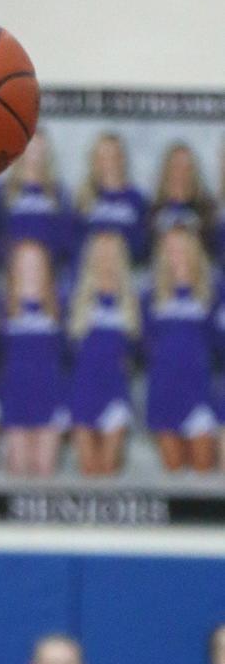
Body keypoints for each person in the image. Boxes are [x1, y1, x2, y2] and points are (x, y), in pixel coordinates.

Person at [144, 226, 219, 474]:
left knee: (203, 476)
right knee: (174, 475)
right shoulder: (151, 296)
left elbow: (217, 343)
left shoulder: (213, 291)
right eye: (169, 249)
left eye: (181, 247)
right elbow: (144, 345)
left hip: (200, 392)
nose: (175, 254)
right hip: (164, 392)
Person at [67, 232, 140, 477]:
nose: (106, 259)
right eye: (100, 253)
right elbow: (64, 351)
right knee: (88, 471)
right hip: (82, 390)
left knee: (109, 470)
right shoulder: (76, 298)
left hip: (115, 390)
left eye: (112, 254)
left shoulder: (132, 299)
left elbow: (139, 350)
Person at [0, 240, 67, 479]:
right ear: (14, 268)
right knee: (17, 472)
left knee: (44, 471)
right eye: (24, 263)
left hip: (49, 397)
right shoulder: (1, 305)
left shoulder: (60, 305)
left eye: (36, 263)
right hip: (16, 397)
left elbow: (68, 356)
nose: (30, 269)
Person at [0, 132, 72, 267]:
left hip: (48, 271)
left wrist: (47, 261)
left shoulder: (58, 192)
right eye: (30, 147)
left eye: (40, 148)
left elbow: (65, 235)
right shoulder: (3, 191)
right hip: (12, 272)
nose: (35, 154)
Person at [73, 132, 148, 267]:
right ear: (94, 161)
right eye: (103, 157)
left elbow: (142, 247)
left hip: (124, 277)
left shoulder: (136, 199)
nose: (109, 163)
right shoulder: (83, 199)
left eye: (114, 156)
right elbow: (76, 246)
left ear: (123, 159)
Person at [150, 141, 214, 246]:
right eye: (176, 166)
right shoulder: (153, 210)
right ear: (166, 170)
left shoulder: (208, 211)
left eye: (187, 168)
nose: (181, 173)